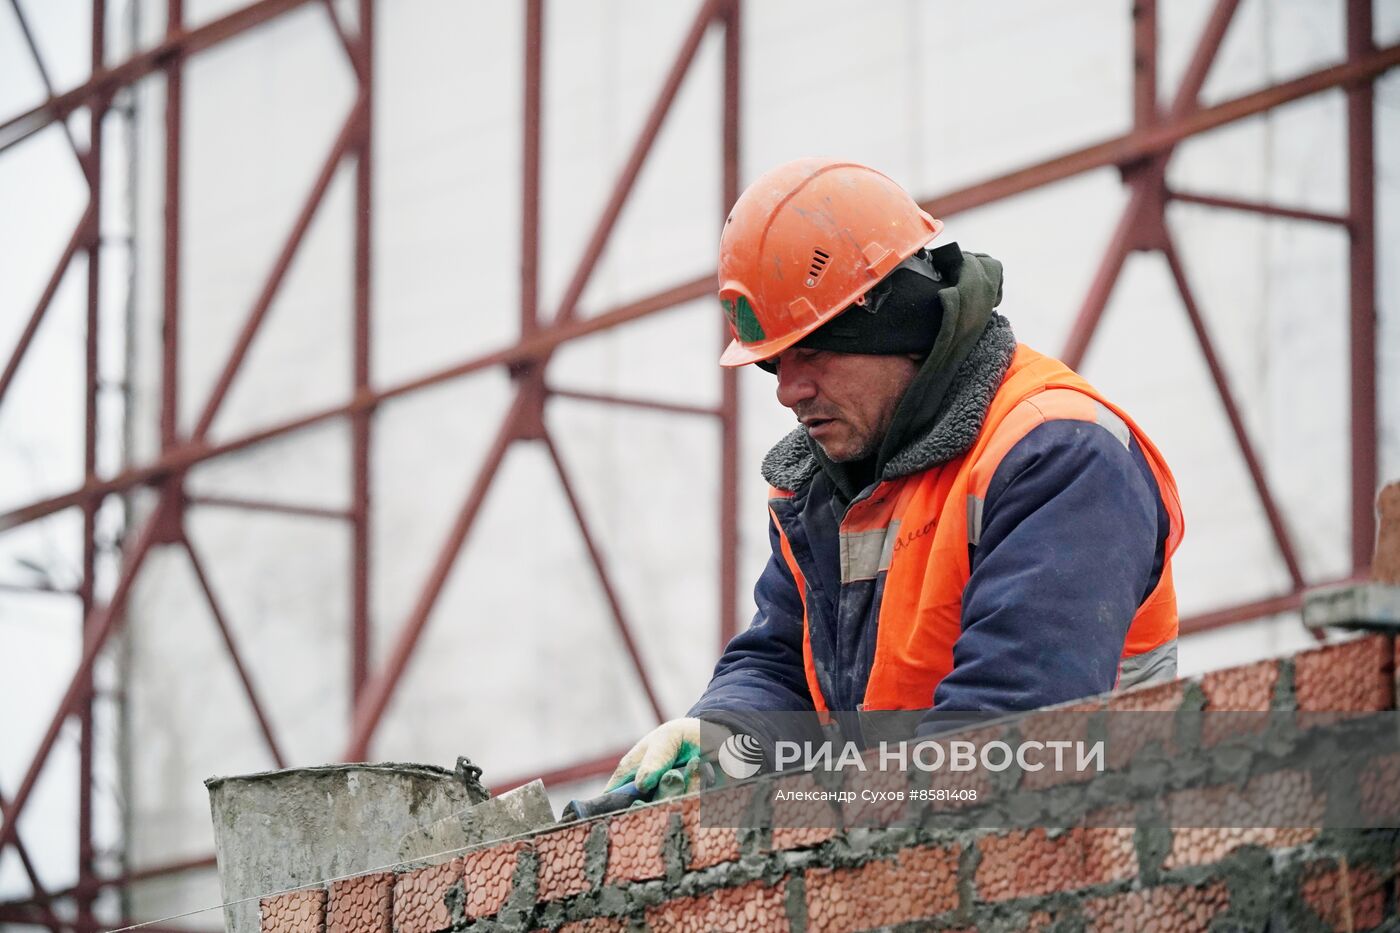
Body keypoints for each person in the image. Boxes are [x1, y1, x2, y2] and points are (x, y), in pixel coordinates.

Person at [606, 158, 1183, 796]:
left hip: (1089, 858)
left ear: (894, 324)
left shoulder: (1056, 454)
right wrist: (720, 737)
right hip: (912, 856)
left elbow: (1004, 739)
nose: (788, 392)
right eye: (773, 365)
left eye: (814, 352)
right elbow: (782, 663)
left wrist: (817, 807)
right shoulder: (820, 490)